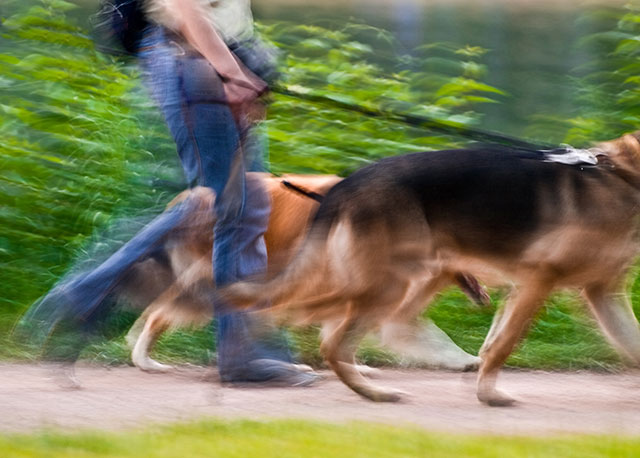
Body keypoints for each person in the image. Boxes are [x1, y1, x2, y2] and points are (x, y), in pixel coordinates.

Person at [24, 0, 316, 386]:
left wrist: (247, 65)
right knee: (222, 206)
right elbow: (183, 5)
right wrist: (230, 71)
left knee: (241, 206)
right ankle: (87, 296)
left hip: (209, 57)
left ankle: (248, 351)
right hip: (194, 59)